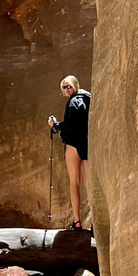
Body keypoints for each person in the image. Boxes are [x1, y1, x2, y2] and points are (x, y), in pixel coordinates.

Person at [48, 75, 91, 231]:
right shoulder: (88, 98)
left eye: (69, 86)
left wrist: (55, 124)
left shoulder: (73, 103)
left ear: (75, 86)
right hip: (87, 145)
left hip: (73, 145)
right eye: (64, 87)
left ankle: (77, 222)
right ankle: (94, 223)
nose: (66, 90)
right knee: (89, 184)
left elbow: (70, 126)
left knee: (75, 183)